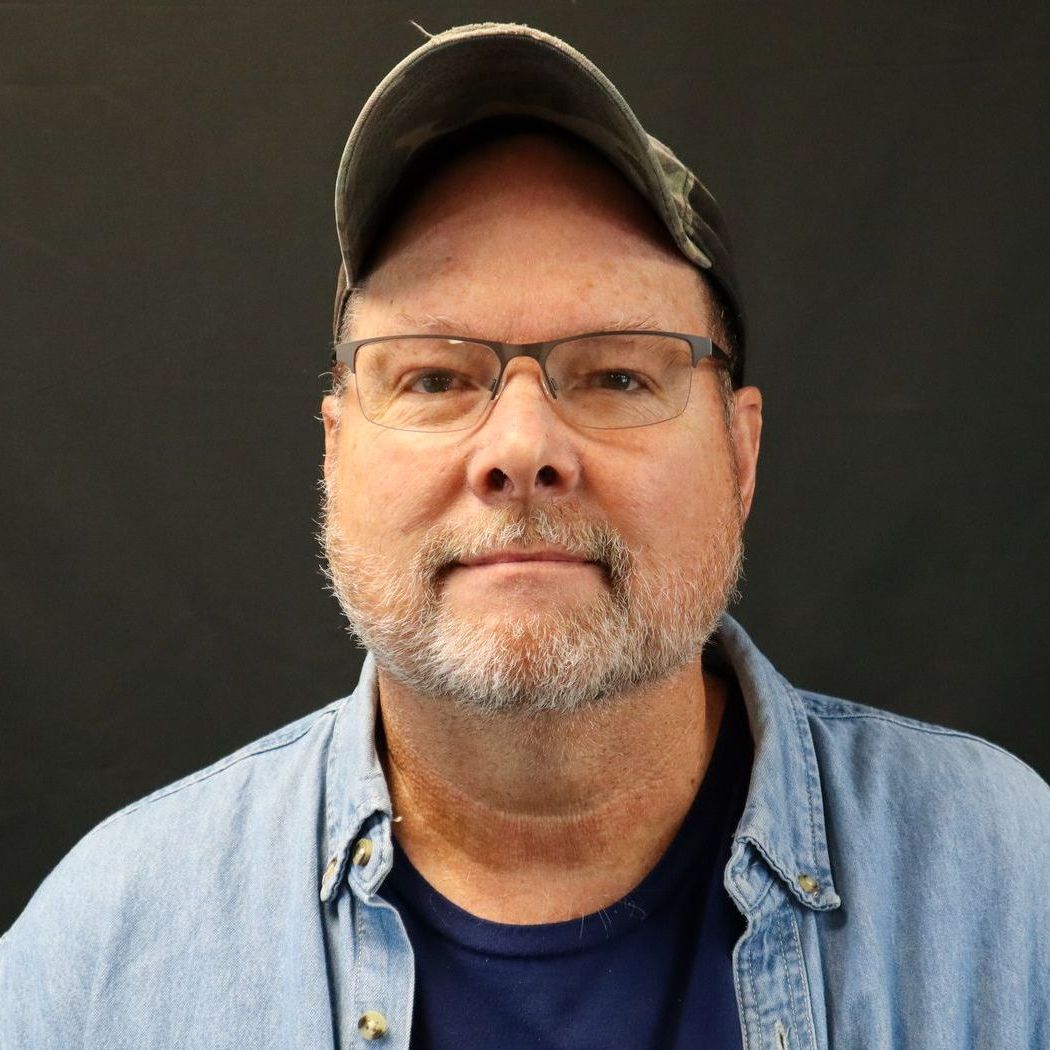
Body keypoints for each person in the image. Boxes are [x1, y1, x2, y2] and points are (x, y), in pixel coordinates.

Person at [2, 21, 1048, 1050]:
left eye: (619, 374)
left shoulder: (1008, 885)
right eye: (434, 377)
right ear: (335, 452)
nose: (520, 447)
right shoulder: (108, 950)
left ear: (740, 452)